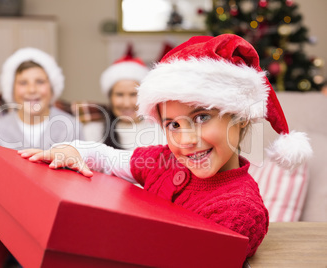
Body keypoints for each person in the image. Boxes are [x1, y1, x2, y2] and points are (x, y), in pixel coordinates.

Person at [18, 34, 313, 259]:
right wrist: (73, 151)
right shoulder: (166, 161)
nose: (185, 140)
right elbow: (108, 157)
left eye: (201, 117)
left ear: (241, 119)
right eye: (173, 124)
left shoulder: (239, 211)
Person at [0, 47, 84, 267]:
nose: (32, 89)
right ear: (12, 89)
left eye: (40, 81)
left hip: (51, 223)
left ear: (52, 87)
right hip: (3, 220)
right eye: (23, 83)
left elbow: (78, 179)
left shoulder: (70, 126)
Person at [83, 48, 165, 150]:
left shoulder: (162, 132)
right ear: (110, 97)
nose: (126, 104)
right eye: (119, 95)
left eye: (133, 94)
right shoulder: (92, 131)